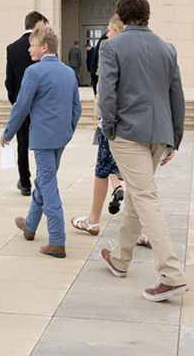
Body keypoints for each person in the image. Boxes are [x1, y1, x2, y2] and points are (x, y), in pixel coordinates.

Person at [97, 0, 188, 303]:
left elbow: (105, 95)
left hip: (127, 133)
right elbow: (177, 95)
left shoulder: (111, 46)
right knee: (137, 193)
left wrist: (108, 129)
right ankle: (121, 259)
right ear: (147, 15)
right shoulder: (167, 48)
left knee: (145, 197)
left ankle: (172, 276)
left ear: (120, 18)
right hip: (159, 133)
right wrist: (174, 137)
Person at [0, 25, 81, 258]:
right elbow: (77, 109)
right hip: (60, 138)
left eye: (32, 45)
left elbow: (21, 106)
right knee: (43, 181)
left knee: (48, 185)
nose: (29, 50)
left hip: (44, 139)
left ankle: (57, 240)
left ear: (44, 47)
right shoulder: (68, 72)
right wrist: (67, 132)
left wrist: (7, 133)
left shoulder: (34, 72)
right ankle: (30, 225)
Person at [71, 15, 135, 238]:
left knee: (102, 170)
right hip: (134, 125)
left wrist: (103, 122)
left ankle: (94, 220)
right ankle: (140, 227)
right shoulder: (133, 52)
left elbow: (105, 96)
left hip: (113, 125)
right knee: (131, 175)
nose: (106, 35)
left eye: (109, 30)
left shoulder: (112, 51)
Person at [5, 11, 48, 196]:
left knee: (22, 144)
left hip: (21, 106)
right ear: (37, 25)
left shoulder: (12, 48)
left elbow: (10, 81)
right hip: (41, 105)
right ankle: (42, 180)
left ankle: (25, 183)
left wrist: (16, 103)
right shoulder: (45, 48)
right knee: (42, 144)